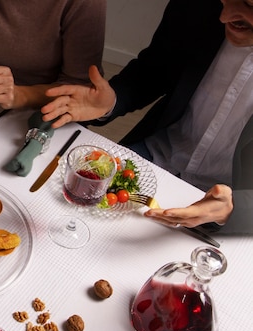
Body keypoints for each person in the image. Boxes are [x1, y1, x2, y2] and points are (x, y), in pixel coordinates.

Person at [40, 0, 253, 235]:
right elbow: (153, 71)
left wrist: (235, 210)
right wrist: (110, 102)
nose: (224, 16)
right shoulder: (199, 5)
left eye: (248, 4)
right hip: (153, 155)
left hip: (233, 203)